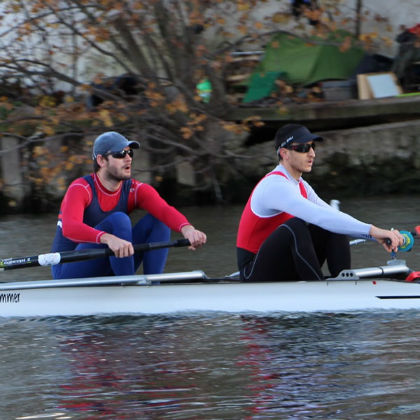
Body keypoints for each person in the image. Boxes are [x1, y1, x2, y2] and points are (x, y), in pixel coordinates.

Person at [236, 123, 404, 282]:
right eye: (303, 148)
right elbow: (318, 216)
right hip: (252, 272)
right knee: (296, 226)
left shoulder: (302, 185)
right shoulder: (274, 186)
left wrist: (379, 237)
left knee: (334, 223)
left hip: (283, 264)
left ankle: (343, 284)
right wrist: (375, 231)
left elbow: (332, 216)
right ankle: (320, 289)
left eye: (312, 147)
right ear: (284, 153)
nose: (312, 154)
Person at [51, 131, 207, 279]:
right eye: (120, 154)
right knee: (119, 220)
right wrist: (108, 239)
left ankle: (154, 285)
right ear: (101, 160)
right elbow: (70, 228)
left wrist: (188, 229)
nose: (128, 159)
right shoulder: (80, 188)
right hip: (69, 268)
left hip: (112, 261)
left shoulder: (135, 189)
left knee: (159, 220)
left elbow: (164, 210)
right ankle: (127, 284)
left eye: (130, 153)